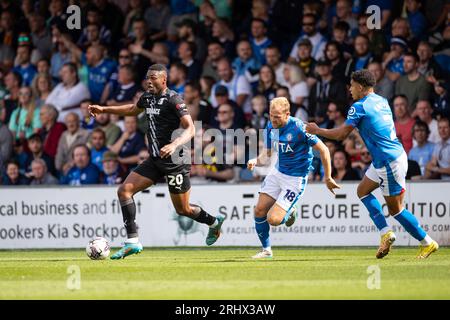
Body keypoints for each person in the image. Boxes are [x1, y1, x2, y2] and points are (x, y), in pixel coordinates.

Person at [88, 64, 225, 259]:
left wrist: (174, 145)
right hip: (155, 159)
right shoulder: (147, 97)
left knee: (183, 209)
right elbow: (132, 109)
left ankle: (214, 222)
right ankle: (132, 242)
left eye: (153, 78)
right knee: (124, 191)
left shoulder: (174, 99)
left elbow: (191, 128)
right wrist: (104, 109)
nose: (149, 81)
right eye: (147, 78)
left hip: (175, 161)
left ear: (164, 80)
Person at [306, 69, 439, 259]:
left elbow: (341, 135)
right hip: (390, 156)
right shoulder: (382, 100)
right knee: (362, 191)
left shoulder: (359, 106)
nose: (350, 89)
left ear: (360, 87)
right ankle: (386, 233)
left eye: (352, 86)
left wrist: (317, 130)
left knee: (396, 210)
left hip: (388, 161)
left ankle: (427, 242)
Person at [247, 97, 339, 259]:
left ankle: (290, 213)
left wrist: (328, 177)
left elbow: (324, 150)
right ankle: (266, 250)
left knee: (273, 219)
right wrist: (256, 160)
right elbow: (266, 155)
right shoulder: (270, 127)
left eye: (277, 116)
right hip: (277, 173)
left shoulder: (299, 128)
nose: (273, 120)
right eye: (271, 115)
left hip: (295, 179)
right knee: (259, 210)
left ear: (287, 114)